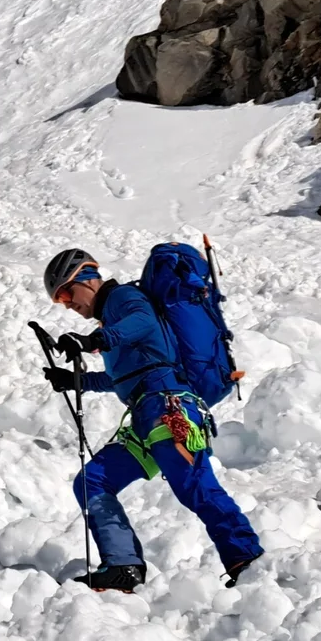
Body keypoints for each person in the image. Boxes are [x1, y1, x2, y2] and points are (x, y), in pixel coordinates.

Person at [42, 249, 263, 592]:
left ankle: (247, 558)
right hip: (146, 416)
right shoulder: (110, 321)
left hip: (168, 409)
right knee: (92, 481)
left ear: (87, 277)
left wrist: (95, 341)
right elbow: (123, 380)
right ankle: (122, 565)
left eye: (67, 293)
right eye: (59, 301)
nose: (67, 304)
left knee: (195, 486)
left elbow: (142, 320)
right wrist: (76, 381)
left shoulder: (123, 298)